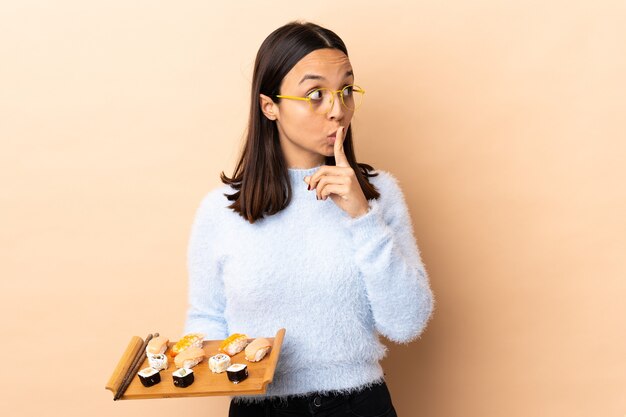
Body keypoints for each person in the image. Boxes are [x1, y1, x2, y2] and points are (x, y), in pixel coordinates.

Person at [184, 21, 434, 417]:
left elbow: (406, 323)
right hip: (260, 408)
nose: (338, 110)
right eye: (315, 94)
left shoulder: (377, 194)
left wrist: (362, 217)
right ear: (270, 106)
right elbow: (205, 319)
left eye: (346, 91)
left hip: (359, 406)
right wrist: (216, 365)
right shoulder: (221, 210)